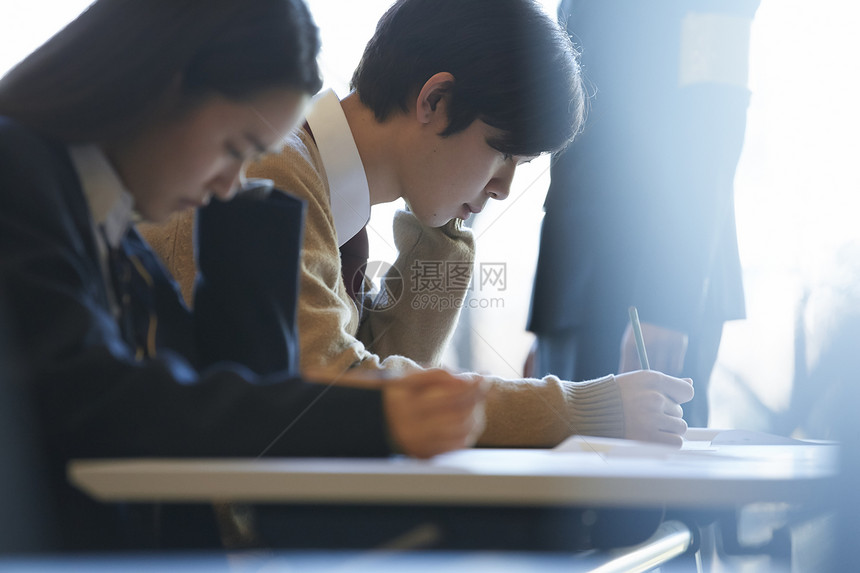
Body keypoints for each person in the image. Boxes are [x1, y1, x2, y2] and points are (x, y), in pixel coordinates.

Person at [0, 0, 485, 550]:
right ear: (163, 88)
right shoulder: (18, 176)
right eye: (235, 149)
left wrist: (247, 221)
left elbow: (217, 385)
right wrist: (370, 415)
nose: (232, 183)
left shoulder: (113, 232)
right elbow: (104, 401)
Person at [143, 0, 694, 449]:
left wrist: (442, 232)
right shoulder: (274, 172)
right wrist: (580, 410)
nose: (503, 186)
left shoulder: (328, 195)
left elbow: (381, 370)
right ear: (434, 99)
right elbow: (340, 391)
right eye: (502, 153)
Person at [527, 0, 758, 427]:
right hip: (571, 290)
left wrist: (669, 298)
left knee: (644, 478)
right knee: (562, 477)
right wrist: (550, 324)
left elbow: (715, 114)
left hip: (648, 282)